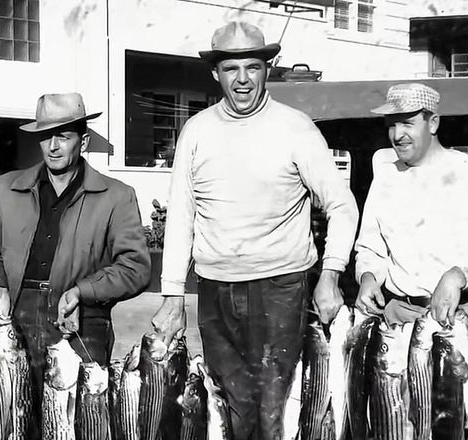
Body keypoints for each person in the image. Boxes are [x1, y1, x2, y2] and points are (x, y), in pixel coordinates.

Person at [151, 21, 359, 439]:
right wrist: (172, 295)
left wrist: (332, 275)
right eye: (231, 68)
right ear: (215, 73)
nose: (242, 79)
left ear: (268, 68)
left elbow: (342, 205)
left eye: (253, 67)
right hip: (215, 289)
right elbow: (181, 218)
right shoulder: (196, 131)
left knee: (276, 408)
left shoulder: (295, 127)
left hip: (279, 289)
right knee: (228, 407)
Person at [0, 92, 150, 436]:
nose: (53, 146)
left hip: (81, 320)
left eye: (63, 136)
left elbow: (136, 267)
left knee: (78, 425)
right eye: (45, 136)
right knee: (13, 421)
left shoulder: (116, 195)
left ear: (82, 141)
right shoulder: (6, 188)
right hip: (15, 318)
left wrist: (83, 291)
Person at [354, 83, 468, 440]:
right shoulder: (385, 175)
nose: (398, 134)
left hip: (464, 321)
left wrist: (458, 275)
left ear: (434, 122)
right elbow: (371, 246)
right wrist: (368, 275)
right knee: (400, 427)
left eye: (408, 123)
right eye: (392, 124)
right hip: (402, 321)